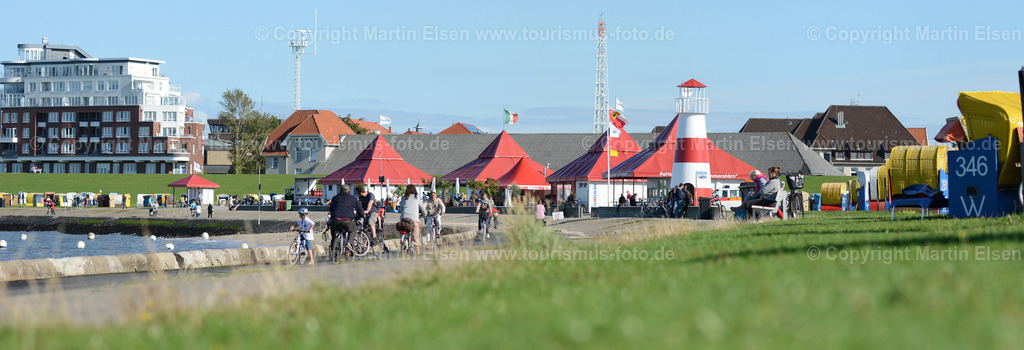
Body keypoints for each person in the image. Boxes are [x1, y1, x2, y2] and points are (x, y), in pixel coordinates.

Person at [328, 185, 364, 260]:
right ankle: (349, 243)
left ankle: (334, 251)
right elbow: (360, 211)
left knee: (334, 235)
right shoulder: (353, 198)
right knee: (353, 230)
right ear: (348, 191)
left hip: (335, 220)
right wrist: (360, 216)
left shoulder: (335, 198)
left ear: (340, 190)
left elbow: (331, 209)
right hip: (347, 220)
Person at [399, 185, 428, 254]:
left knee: (403, 229)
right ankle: (418, 254)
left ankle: (403, 240)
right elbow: (423, 210)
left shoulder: (403, 198)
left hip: (404, 218)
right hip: (414, 219)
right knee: (416, 237)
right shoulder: (417, 198)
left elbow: (400, 209)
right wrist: (424, 214)